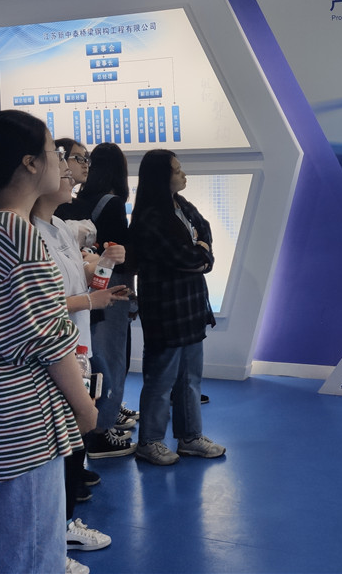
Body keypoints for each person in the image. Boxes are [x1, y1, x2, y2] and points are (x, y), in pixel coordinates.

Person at [0, 109, 98, 573]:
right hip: (27, 420)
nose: (63, 163)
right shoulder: (15, 231)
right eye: (55, 151)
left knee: (23, 551)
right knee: (34, 557)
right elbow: (46, 336)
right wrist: (83, 405)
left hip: (5, 416)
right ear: (29, 162)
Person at [32, 154, 128, 555]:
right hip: (54, 355)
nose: (70, 174)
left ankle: (62, 527)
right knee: (59, 450)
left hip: (76, 346)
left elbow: (80, 282)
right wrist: (90, 299)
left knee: (71, 448)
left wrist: (102, 266)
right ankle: (52, 538)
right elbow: (41, 307)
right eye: (63, 166)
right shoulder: (27, 235)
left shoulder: (58, 228)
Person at [130, 149, 225, 465]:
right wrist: (201, 253)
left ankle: (190, 437)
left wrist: (201, 253)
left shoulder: (182, 205)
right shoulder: (151, 218)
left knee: (190, 378)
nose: (184, 174)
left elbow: (204, 233)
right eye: (177, 170)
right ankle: (150, 442)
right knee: (160, 380)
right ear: (161, 176)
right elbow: (183, 256)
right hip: (166, 311)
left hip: (191, 307)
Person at [75, 142, 139, 458]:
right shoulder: (112, 204)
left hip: (83, 288)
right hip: (111, 287)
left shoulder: (76, 202)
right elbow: (122, 256)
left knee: (90, 358)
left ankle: (92, 424)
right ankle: (102, 429)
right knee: (112, 358)